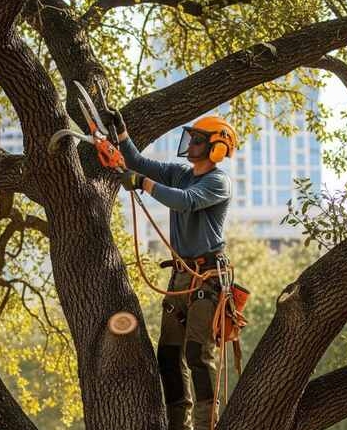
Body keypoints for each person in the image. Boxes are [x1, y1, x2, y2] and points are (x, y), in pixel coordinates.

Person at [109, 110, 238, 430]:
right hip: (180, 277)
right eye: (190, 139)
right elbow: (137, 161)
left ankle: (207, 425)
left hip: (207, 279)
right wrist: (122, 134)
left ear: (217, 148)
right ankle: (179, 426)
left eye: (197, 141)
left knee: (198, 354)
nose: (189, 145)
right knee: (168, 355)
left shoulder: (217, 182)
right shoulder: (181, 173)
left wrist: (142, 183)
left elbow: (185, 201)